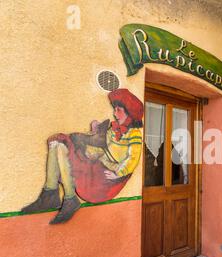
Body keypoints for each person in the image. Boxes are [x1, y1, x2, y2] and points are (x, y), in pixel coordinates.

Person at [21, 89, 144, 224]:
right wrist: (94, 132)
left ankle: (66, 198)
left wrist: (118, 173)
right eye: (115, 109)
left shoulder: (134, 134)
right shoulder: (113, 129)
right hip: (99, 162)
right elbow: (101, 145)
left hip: (109, 175)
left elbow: (133, 159)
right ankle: (53, 194)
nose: (115, 114)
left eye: (118, 110)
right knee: (58, 144)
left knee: (69, 155)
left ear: (129, 113)